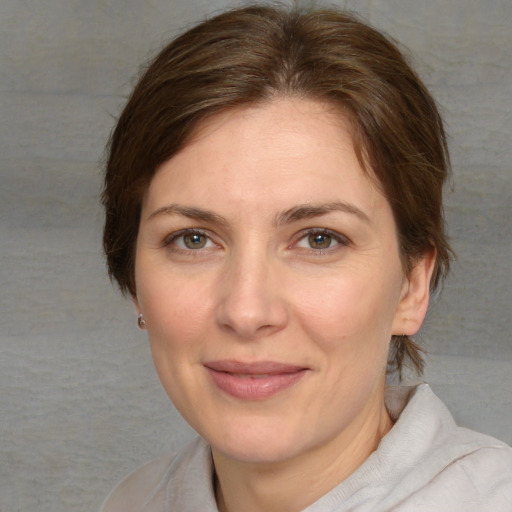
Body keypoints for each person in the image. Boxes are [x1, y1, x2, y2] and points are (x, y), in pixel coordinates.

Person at [99, 5, 512, 511]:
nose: (248, 312)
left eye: (319, 239)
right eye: (194, 239)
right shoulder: (130, 502)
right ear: (135, 280)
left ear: (411, 286)